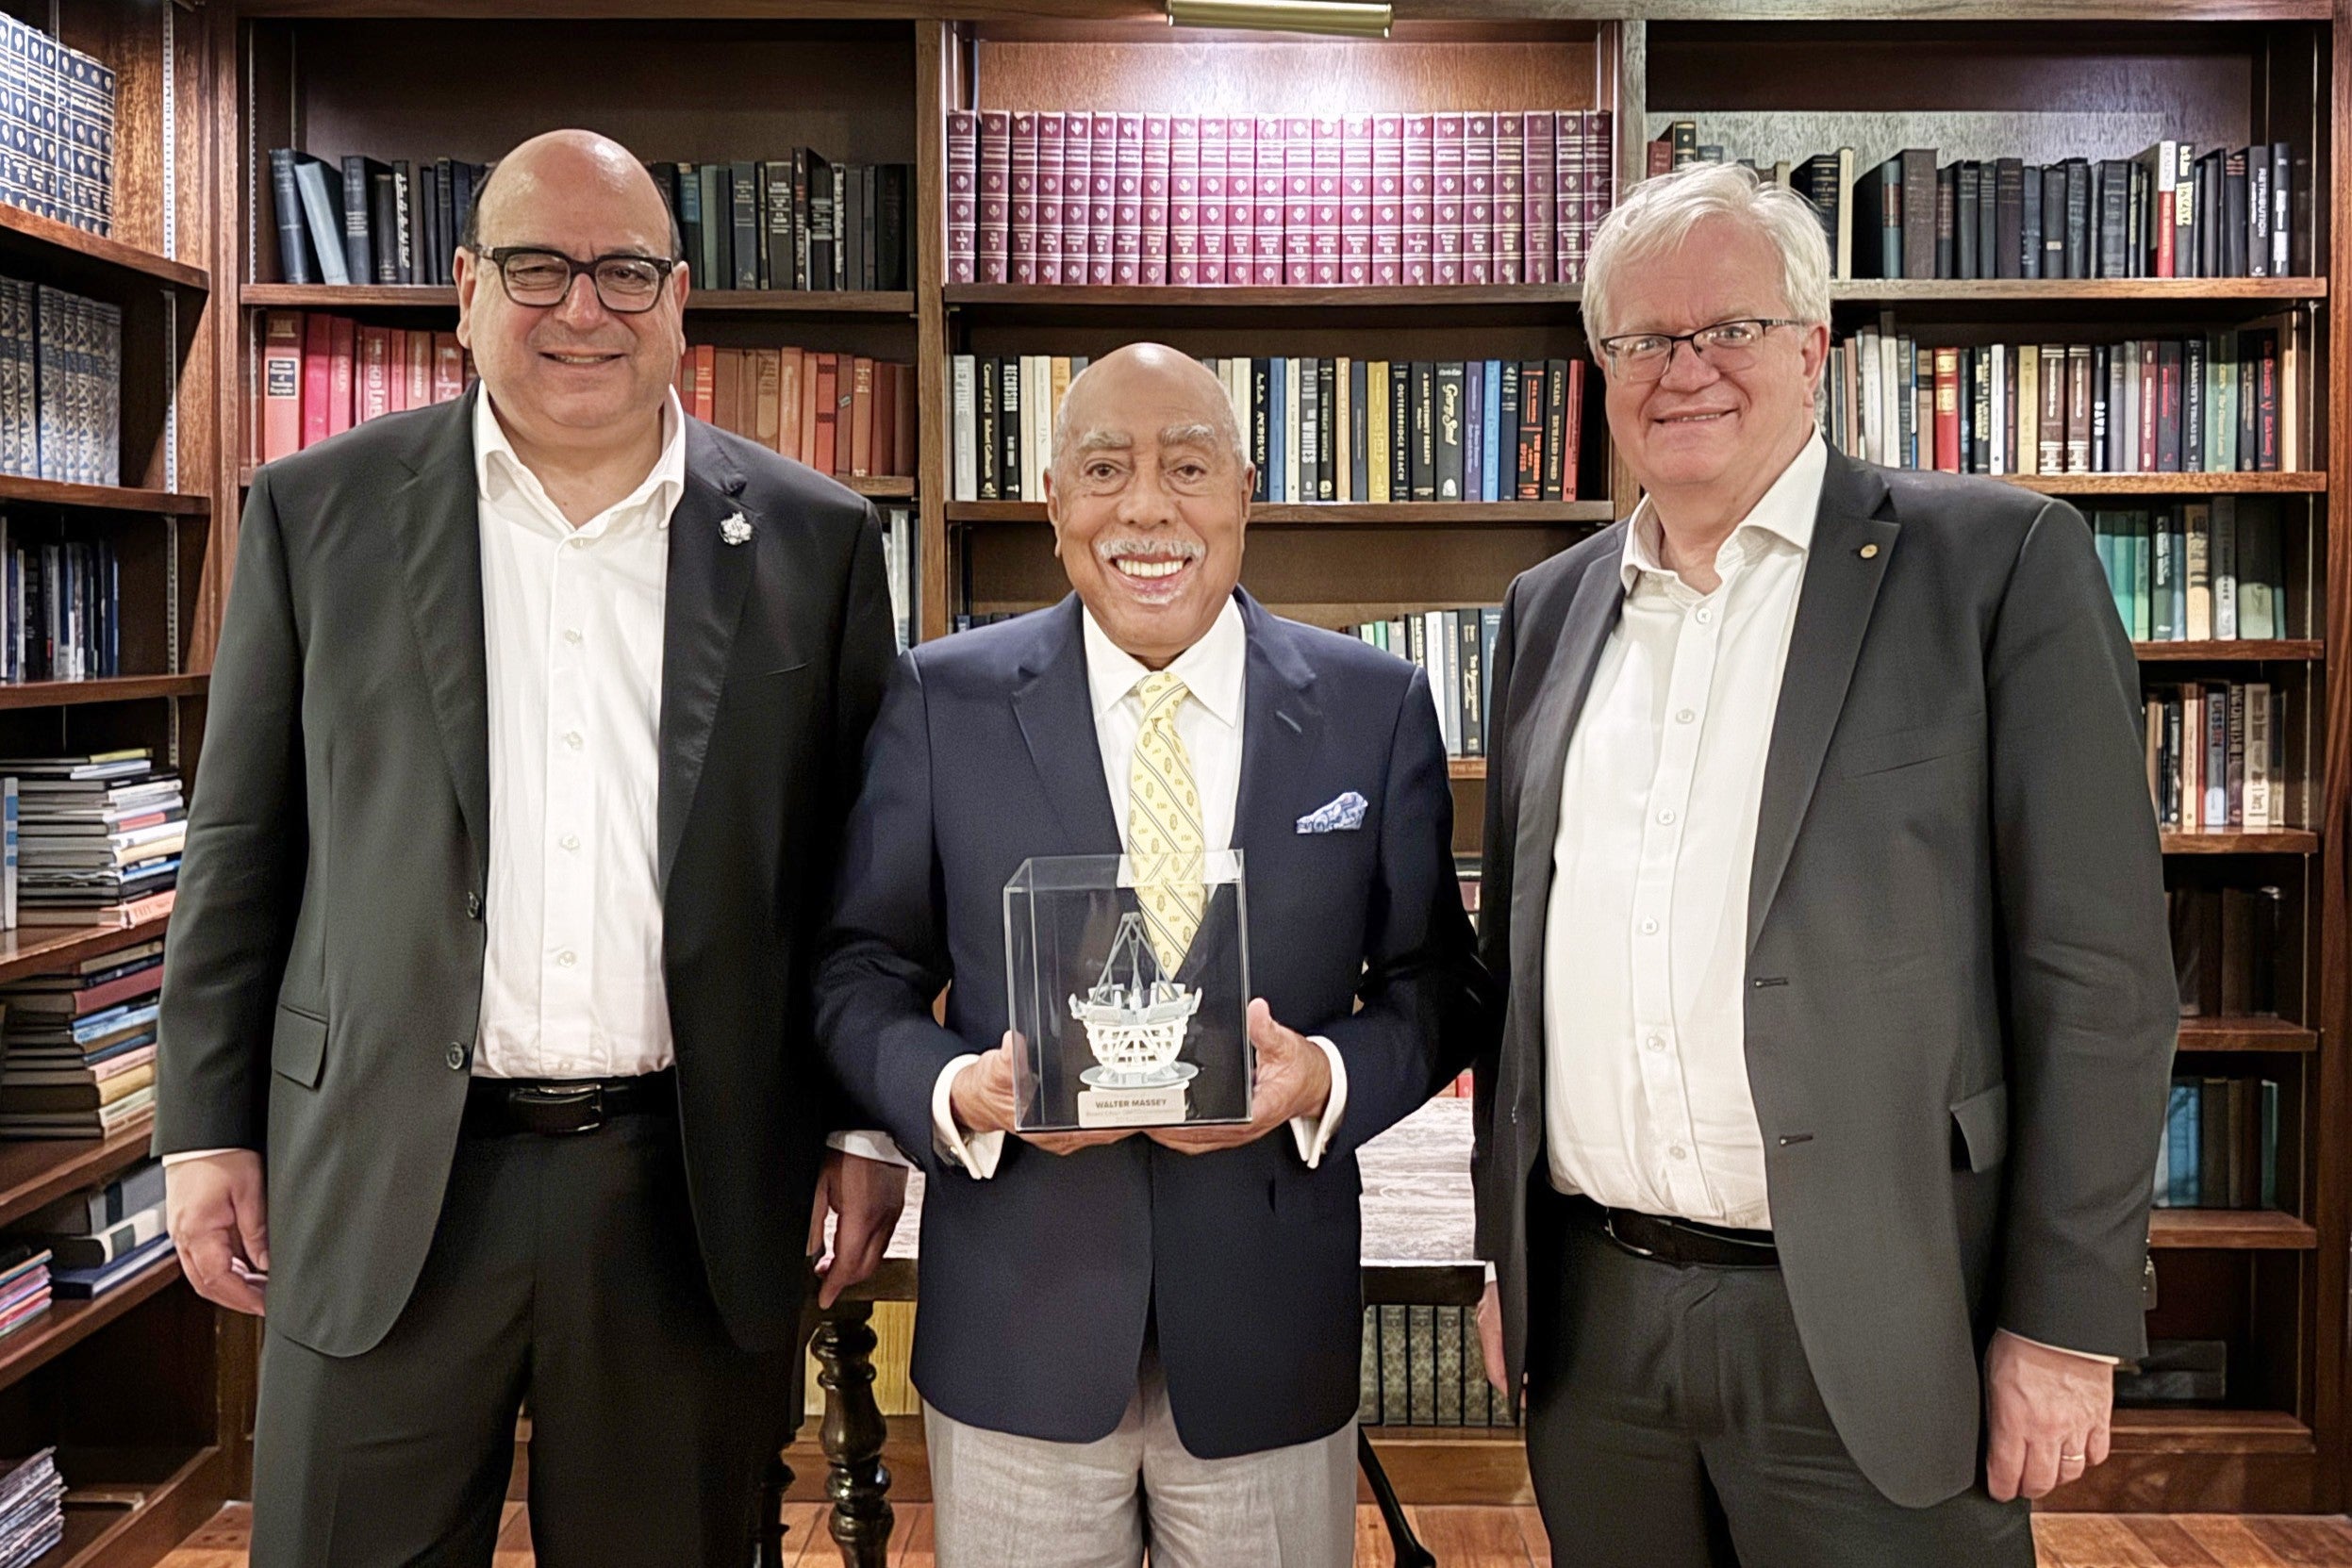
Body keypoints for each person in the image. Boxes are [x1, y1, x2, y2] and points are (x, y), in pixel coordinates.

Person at [155, 129, 907, 1567]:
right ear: (464, 287)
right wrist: (206, 1124)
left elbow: (853, 880)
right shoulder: (319, 512)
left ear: (681, 299)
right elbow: (241, 840)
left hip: (686, 1186)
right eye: (538, 268)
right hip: (380, 1169)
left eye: (625, 272)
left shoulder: (815, 540)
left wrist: (861, 1124)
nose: (584, 309)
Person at [1468, 160, 2176, 1564]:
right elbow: (1518, 974)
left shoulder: (1993, 564)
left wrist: (2063, 1322)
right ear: (1599, 364)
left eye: (1726, 329)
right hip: (1597, 1320)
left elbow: (2095, 977)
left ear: (1812, 351)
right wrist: (1510, 1258)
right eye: (1640, 340)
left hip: (1883, 1312)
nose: (1684, 373)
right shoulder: (1546, 611)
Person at [816, 342, 1485, 1567]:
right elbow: (860, 970)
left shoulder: (1371, 707)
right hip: (1018, 1328)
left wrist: (1319, 1080)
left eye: (1185, 467)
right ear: (1052, 499)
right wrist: (951, 1094)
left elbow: (1432, 988)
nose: (1145, 508)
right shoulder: (937, 703)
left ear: (1244, 486)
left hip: (1270, 1337)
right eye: (1105, 468)